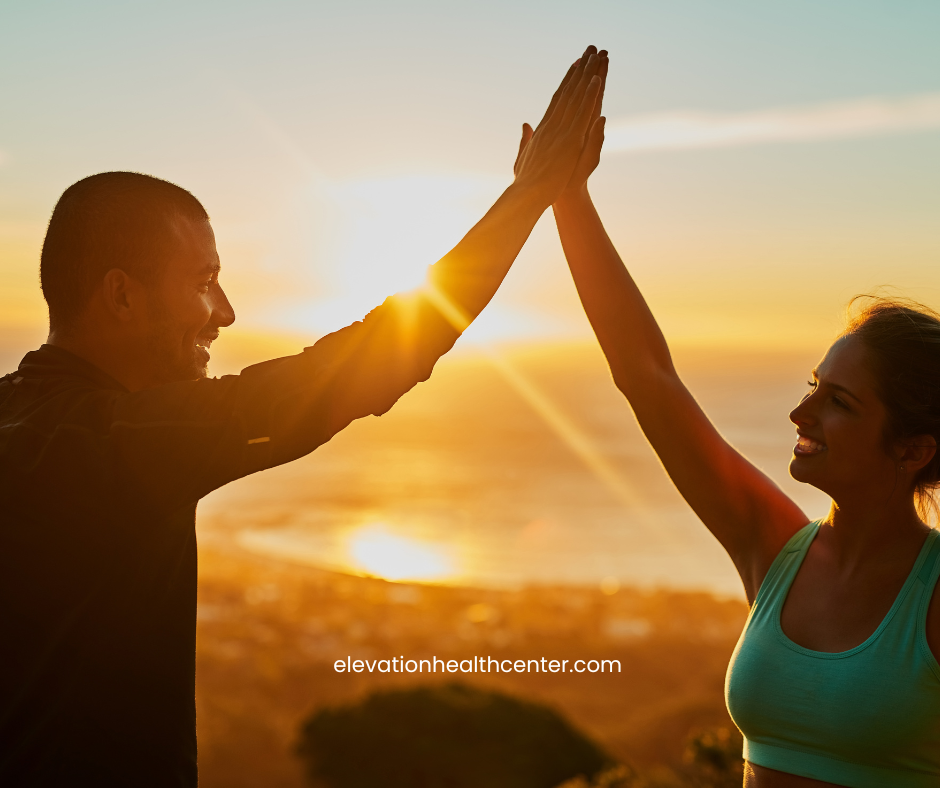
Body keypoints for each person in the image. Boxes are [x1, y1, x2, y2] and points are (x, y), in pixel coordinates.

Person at [0, 48, 606, 787]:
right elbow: (354, 369)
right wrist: (529, 196)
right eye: (204, 283)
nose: (225, 312)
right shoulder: (111, 447)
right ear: (122, 297)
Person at [534, 62, 940, 787]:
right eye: (813, 386)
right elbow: (647, 379)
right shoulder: (773, 549)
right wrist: (568, 198)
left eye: (838, 403)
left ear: (913, 448)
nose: (799, 412)